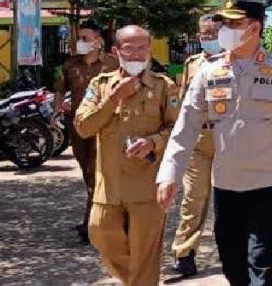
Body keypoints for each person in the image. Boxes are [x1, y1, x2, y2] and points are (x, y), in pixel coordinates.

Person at [156, 0, 272, 286]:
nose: (224, 29)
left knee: (262, 262)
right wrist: (170, 174)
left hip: (269, 183)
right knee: (233, 263)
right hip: (227, 185)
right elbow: (187, 125)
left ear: (254, 28)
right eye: (224, 23)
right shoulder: (209, 70)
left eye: (233, 24)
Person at [74, 25, 180, 286]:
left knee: (145, 255)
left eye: (142, 48)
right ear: (116, 51)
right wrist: (113, 99)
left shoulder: (164, 86)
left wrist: (152, 142)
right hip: (108, 187)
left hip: (146, 188)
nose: (135, 54)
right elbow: (83, 127)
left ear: (150, 50)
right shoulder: (100, 85)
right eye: (129, 49)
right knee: (100, 235)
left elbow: (177, 131)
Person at [54, 19, 118, 244]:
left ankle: (92, 223)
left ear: (98, 41)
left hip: (105, 127)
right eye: (78, 39)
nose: (80, 43)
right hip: (78, 127)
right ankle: (99, 218)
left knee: (96, 173)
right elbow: (61, 90)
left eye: (85, 39)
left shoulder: (112, 63)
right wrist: (55, 112)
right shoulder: (71, 65)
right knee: (87, 173)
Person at [169, 14, 222, 278]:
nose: (208, 38)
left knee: (231, 199)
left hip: (229, 141)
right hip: (199, 141)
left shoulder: (236, 62)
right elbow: (182, 106)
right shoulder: (192, 64)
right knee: (193, 198)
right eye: (204, 34)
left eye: (213, 33)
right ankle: (184, 253)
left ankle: (232, 247)